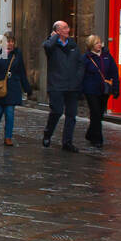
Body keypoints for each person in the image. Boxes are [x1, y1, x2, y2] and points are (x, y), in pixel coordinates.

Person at [42, 20, 84, 152]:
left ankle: (67, 142)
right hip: (56, 84)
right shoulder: (51, 45)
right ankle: (48, 133)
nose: (68, 30)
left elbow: (80, 63)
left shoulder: (73, 45)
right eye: (65, 28)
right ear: (58, 31)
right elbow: (47, 47)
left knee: (71, 115)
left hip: (72, 86)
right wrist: (54, 36)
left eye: (67, 27)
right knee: (57, 111)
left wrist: (78, 78)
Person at [0, 34, 32, 146]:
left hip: (13, 87)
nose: (10, 43)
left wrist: (27, 88)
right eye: (8, 41)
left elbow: (22, 71)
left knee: (10, 113)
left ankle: (8, 137)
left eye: (12, 41)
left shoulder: (17, 54)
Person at [82, 35, 120, 148]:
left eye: (100, 42)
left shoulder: (107, 56)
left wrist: (116, 88)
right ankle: (98, 139)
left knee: (99, 114)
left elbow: (114, 72)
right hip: (91, 90)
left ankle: (90, 133)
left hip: (104, 90)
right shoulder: (86, 58)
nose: (99, 45)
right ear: (91, 46)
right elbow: (80, 75)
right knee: (95, 112)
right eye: (96, 43)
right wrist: (80, 90)